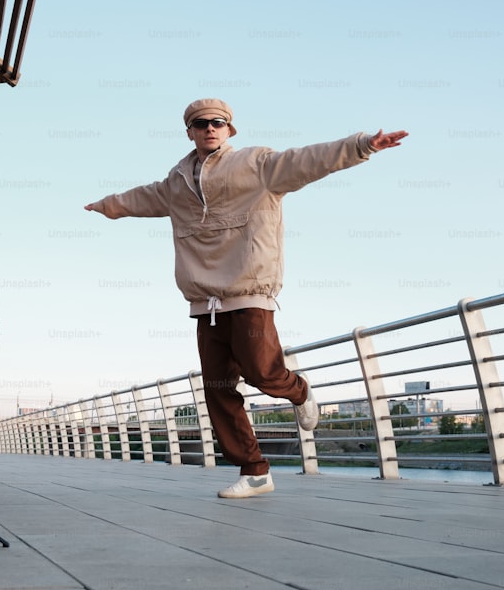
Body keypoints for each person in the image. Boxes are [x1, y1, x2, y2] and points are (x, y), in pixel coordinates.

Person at [85, 98, 408, 498]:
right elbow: (141, 198)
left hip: (249, 290)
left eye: (218, 122)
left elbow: (308, 160)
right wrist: (107, 206)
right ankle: (255, 471)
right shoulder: (176, 184)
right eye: (201, 123)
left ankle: (299, 391)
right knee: (218, 388)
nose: (210, 128)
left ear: (229, 129)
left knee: (263, 372)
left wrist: (362, 145)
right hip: (205, 301)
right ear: (189, 131)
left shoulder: (257, 166)